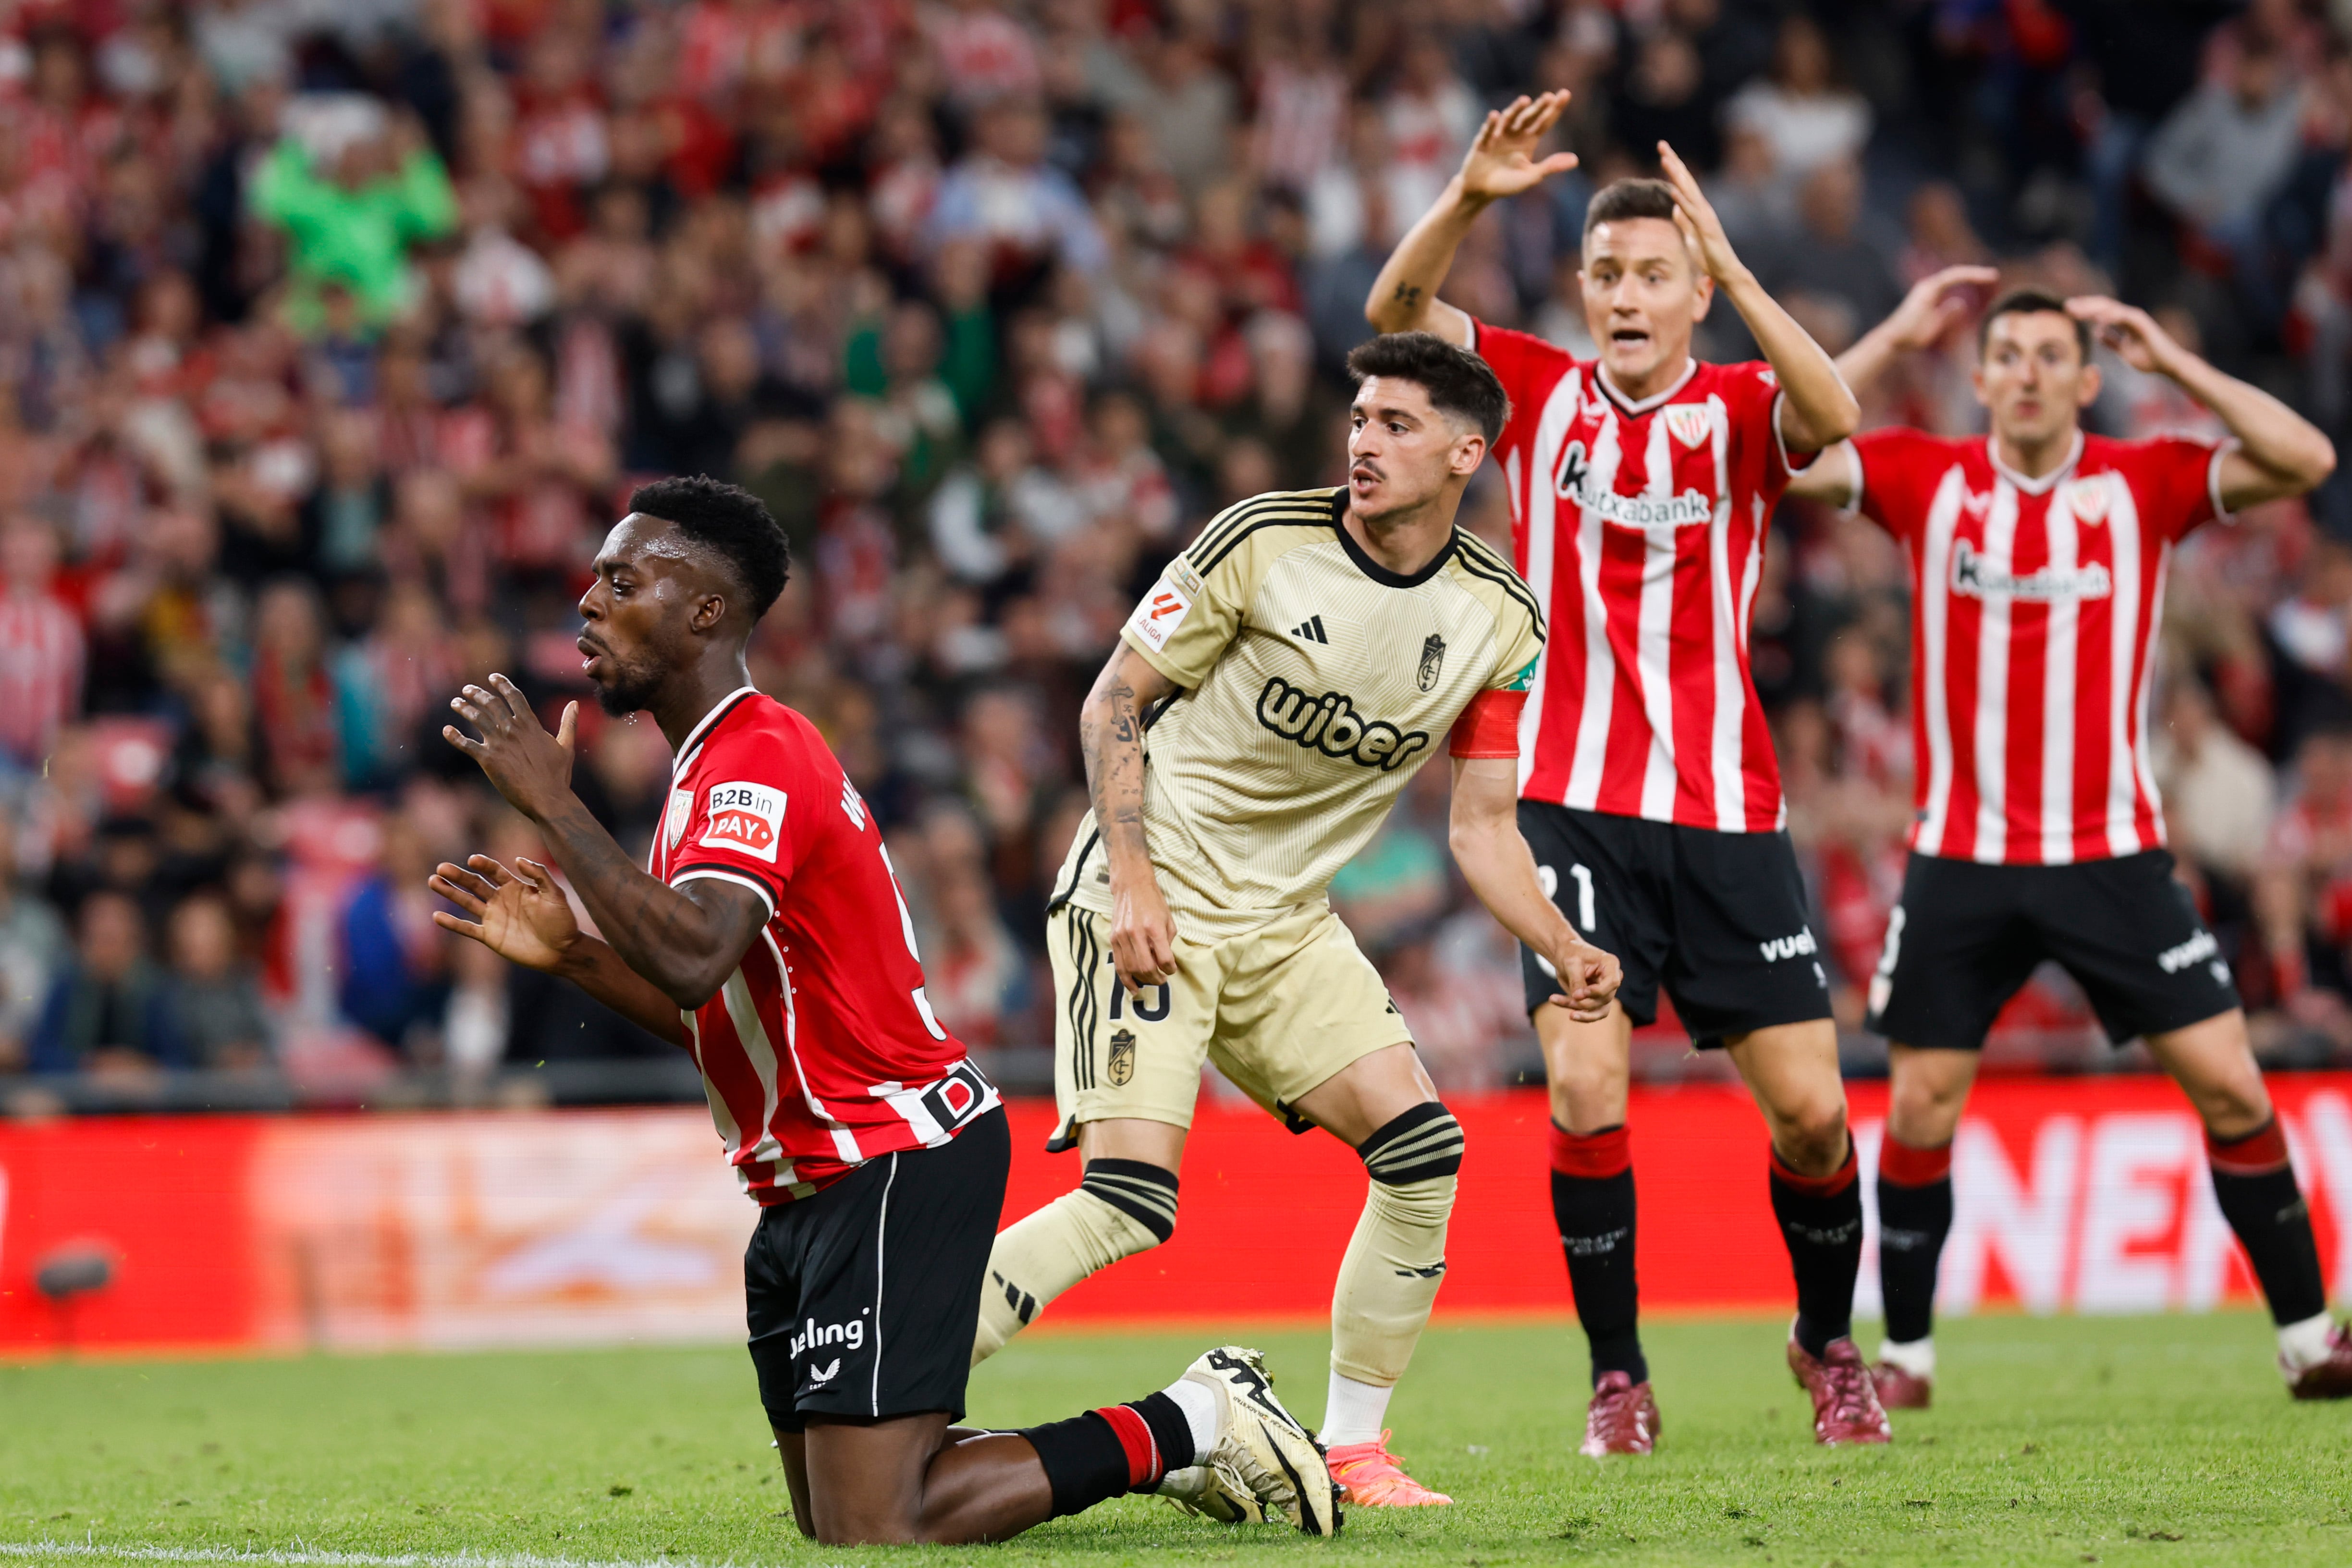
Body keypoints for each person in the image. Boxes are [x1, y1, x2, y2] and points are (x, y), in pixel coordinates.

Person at [427, 475, 1337, 1544]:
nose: (588, 600)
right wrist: (575, 952)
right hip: (809, 1181)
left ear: (706, 612)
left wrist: (555, 806)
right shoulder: (704, 778)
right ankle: (1165, 1437)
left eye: (621, 580)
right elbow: (717, 1011)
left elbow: (692, 957)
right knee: (837, 1515)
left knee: (881, 1524)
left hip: (890, 1157)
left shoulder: (758, 752)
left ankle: (1192, 1418)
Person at [982, 331, 1623, 1509]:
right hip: (1158, 886)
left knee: (1423, 1150)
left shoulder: (1500, 619)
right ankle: (883, 1380)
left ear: (1466, 454)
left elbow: (1484, 826)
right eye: (1360, 419)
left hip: (1285, 924)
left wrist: (1562, 944)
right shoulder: (1263, 539)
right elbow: (1113, 697)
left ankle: (1352, 1451)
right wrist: (1131, 876)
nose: (1364, 442)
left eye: (1396, 425)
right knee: (1130, 1202)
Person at [1366, 91, 1884, 1455]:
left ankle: (1829, 1344)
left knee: (1817, 1116)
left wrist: (1738, 262)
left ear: (1696, 290)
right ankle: (1619, 1377)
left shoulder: (1739, 408)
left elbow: (1835, 413)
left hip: (1724, 810)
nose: (1626, 295)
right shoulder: (1534, 393)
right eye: (1606, 274)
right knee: (1590, 1091)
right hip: (1571, 807)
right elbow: (1399, 305)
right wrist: (1471, 199)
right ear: (1581, 293)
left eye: (1656, 273)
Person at [1784, 273, 2352, 1405]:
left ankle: (2308, 1340)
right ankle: (1905, 1358)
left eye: (2055, 356)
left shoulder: (2144, 482)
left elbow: (2306, 462)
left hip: (2112, 855)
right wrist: (1896, 330)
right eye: (2012, 356)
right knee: (1926, 1108)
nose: (2032, 374)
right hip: (1965, 858)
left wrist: (2177, 367)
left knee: (2234, 1090)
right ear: (1982, 377)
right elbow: (1790, 451)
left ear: (2088, 382)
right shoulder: (1924, 476)